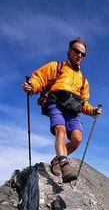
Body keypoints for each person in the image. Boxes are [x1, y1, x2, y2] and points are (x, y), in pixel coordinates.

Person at [22, 37, 102, 183]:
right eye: (77, 51)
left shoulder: (83, 81)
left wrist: (92, 110)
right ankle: (65, 165)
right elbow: (39, 79)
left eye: (83, 54)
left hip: (73, 110)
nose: (79, 56)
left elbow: (84, 103)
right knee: (61, 131)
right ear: (69, 51)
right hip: (56, 103)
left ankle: (57, 160)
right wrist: (32, 86)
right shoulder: (56, 67)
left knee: (77, 139)